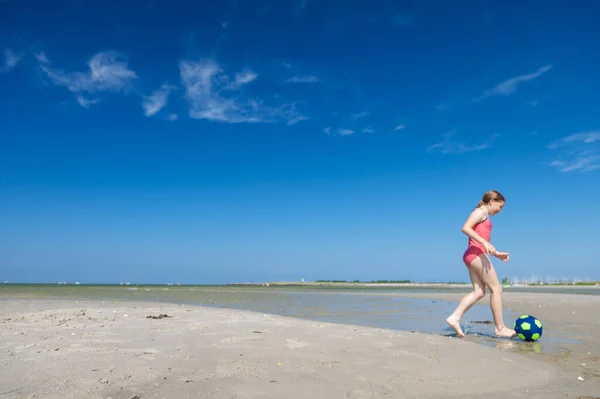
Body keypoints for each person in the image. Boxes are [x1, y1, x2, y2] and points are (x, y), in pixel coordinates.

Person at [445, 190, 516, 338]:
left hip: (472, 254)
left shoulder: (483, 215)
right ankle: (500, 328)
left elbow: (482, 240)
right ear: (492, 201)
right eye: (500, 206)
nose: (500, 210)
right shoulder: (480, 212)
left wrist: (496, 254)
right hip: (476, 254)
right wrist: (484, 243)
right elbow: (465, 228)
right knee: (496, 288)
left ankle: (454, 318)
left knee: (479, 292)